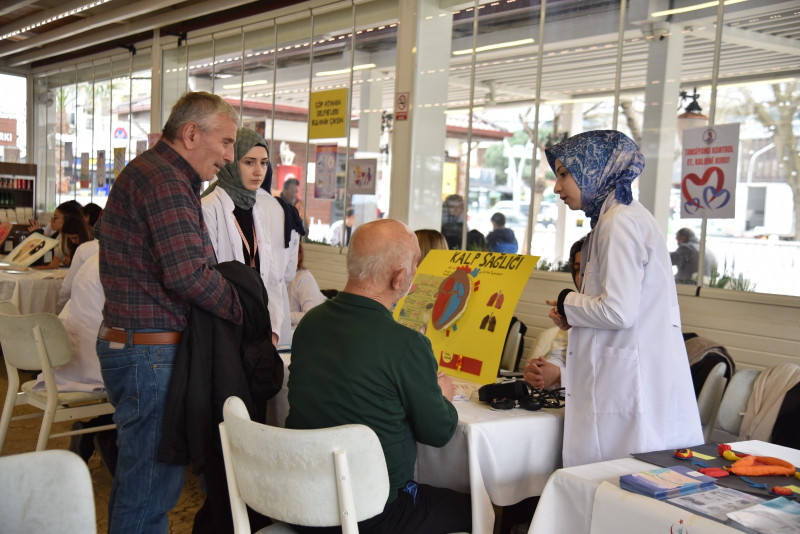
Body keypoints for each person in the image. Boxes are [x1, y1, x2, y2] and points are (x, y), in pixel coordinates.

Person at [96, 91, 243, 534]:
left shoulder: (153, 172)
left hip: (139, 349)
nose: (230, 157)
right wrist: (242, 308)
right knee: (150, 494)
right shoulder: (165, 179)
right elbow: (187, 274)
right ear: (191, 132)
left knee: (140, 484)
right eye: (227, 142)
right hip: (150, 355)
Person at [286, 219, 472, 534]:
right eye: (415, 264)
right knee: (478, 510)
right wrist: (441, 395)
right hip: (373, 514)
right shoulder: (407, 344)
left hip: (305, 503)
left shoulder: (310, 324)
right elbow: (439, 433)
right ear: (400, 278)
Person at [545, 130, 702, 467]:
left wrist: (567, 300)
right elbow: (620, 306)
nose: (557, 187)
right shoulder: (616, 219)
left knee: (619, 494)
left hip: (630, 388)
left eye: (563, 174)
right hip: (627, 378)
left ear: (595, 168)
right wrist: (573, 314)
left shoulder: (620, 222)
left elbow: (618, 312)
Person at [202, 127, 286, 345]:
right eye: (249, 162)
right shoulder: (208, 208)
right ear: (231, 162)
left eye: (264, 163)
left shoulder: (259, 210)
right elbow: (205, 276)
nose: (259, 171)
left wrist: (273, 332)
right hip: (222, 329)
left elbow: (273, 279)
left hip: (259, 330)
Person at [524, 236, 585, 389]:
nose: (582, 276)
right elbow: (559, 355)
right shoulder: (576, 310)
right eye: (578, 269)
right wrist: (541, 371)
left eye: (588, 269)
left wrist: (560, 375)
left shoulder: (619, 315)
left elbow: (610, 379)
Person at [287, 242, 326, 328]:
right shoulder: (281, 278)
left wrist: (285, 316)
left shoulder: (303, 278)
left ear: (298, 257)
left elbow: (311, 316)